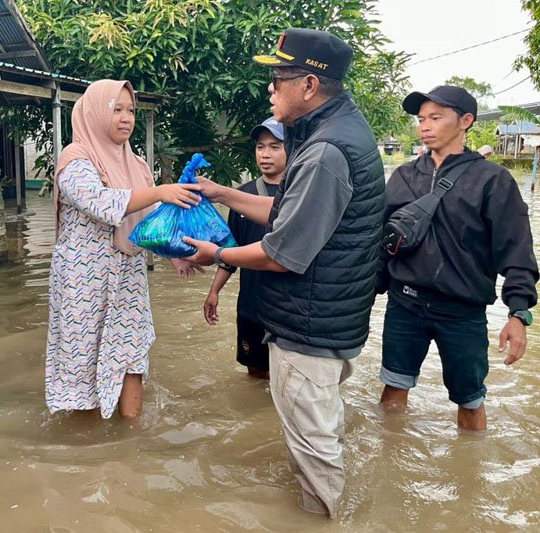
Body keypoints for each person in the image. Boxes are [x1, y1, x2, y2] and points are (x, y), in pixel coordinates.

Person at [183, 28, 385, 518]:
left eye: (278, 79)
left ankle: (324, 522)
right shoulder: (332, 134)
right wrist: (224, 193)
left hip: (308, 327)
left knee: (316, 456)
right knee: (323, 435)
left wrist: (219, 255)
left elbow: (281, 253)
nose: (270, 90)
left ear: (309, 86)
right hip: (330, 319)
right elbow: (285, 211)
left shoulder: (323, 152)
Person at [377, 86, 538, 430]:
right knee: (392, 392)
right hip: (404, 305)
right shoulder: (404, 176)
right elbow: (381, 243)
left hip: (462, 312)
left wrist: (518, 313)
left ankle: (470, 473)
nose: (425, 126)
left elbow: (517, 249)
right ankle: (390, 459)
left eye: (436, 117)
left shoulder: (493, 180)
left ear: (465, 121)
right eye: (421, 119)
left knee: (470, 400)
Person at [45, 79, 202, 419]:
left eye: (130, 110)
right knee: (82, 357)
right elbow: (101, 203)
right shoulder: (75, 160)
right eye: (116, 109)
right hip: (84, 280)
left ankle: (131, 440)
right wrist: (160, 192)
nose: (126, 118)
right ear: (95, 113)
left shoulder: (137, 165)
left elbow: (147, 220)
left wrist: (175, 255)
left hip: (128, 275)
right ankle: (88, 452)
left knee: (132, 350)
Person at [203, 117, 287, 380]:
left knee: (290, 380)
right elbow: (231, 251)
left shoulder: (301, 193)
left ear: (292, 150)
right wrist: (214, 291)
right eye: (260, 147)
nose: (265, 154)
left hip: (288, 307)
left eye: (275, 147)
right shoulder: (241, 196)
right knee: (256, 378)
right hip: (251, 305)